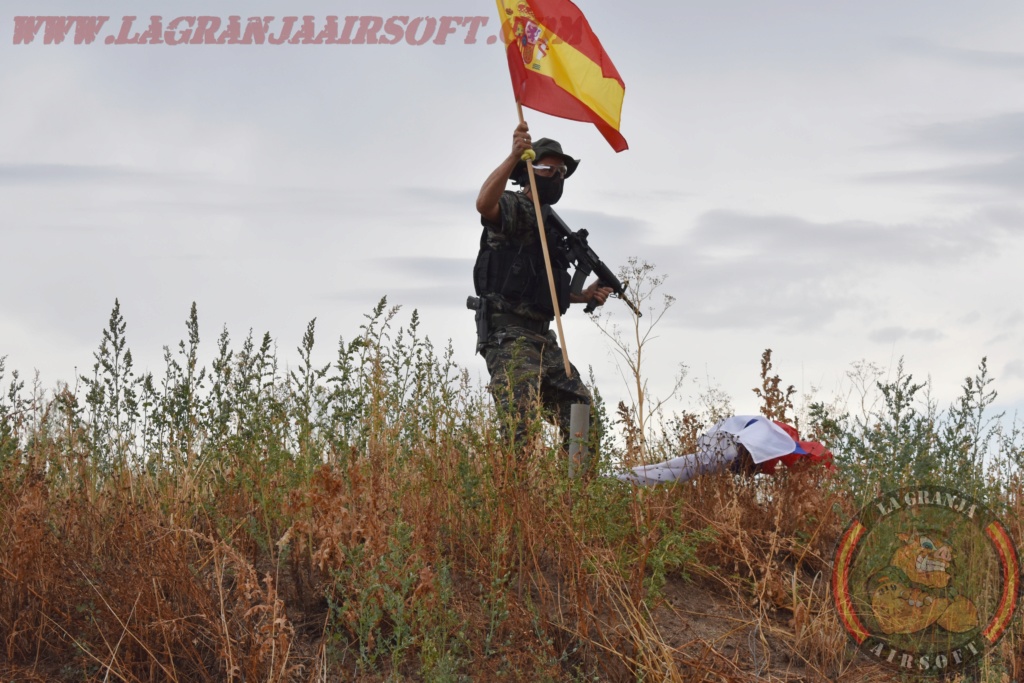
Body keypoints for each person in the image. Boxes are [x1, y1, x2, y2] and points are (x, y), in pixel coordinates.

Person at [473, 122, 613, 449]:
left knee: (582, 412)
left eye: (562, 171)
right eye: (547, 169)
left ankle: (575, 496)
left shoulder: (549, 227)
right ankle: (514, 498)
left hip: (542, 338)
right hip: (509, 337)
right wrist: (513, 157)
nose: (557, 177)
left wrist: (583, 295)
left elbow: (540, 287)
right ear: (528, 172)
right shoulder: (516, 207)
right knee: (519, 429)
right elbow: (484, 205)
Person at [616, 415, 834, 485]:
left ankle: (619, 477)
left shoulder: (782, 437)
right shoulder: (785, 441)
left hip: (725, 453)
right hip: (726, 455)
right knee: (672, 471)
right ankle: (618, 478)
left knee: (672, 468)